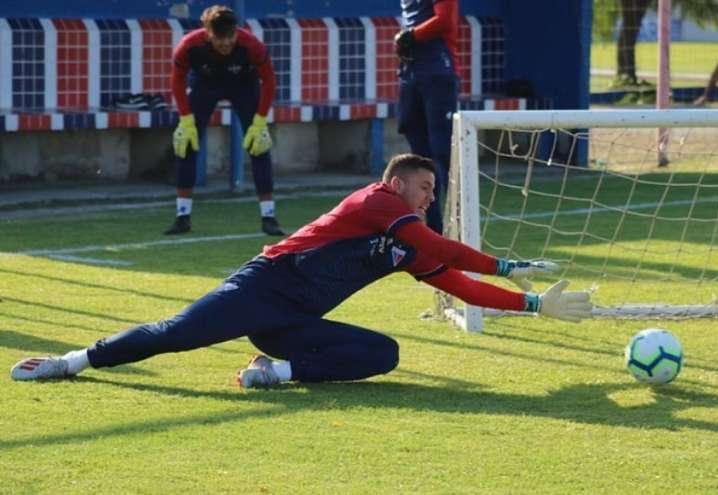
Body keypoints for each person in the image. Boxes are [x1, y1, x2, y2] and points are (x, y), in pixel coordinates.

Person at [10, 154, 593, 386]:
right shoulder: (377, 203)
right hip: (261, 288)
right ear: (396, 183)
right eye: (423, 186)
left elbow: (459, 282)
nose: (428, 196)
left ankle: (274, 373)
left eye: (433, 190)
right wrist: (507, 264)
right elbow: (450, 250)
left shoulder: (407, 242)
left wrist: (534, 304)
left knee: (382, 355)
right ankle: (72, 361)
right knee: (177, 335)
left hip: (291, 322)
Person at [165, 5, 284, 236]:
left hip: (244, 86)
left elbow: (269, 80)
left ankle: (269, 216)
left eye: (230, 37)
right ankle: (182, 216)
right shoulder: (189, 46)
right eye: (220, 39)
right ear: (208, 33)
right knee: (186, 143)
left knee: (259, 145)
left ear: (236, 31)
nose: (227, 43)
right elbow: (177, 81)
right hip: (205, 85)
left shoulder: (252, 46)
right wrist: (186, 120)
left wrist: (260, 121)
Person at [394, 0, 459, 234]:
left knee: (443, 152)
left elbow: (445, 20)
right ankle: (430, 226)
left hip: (437, 70)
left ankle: (456, 221)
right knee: (418, 155)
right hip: (410, 71)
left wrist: (411, 35)